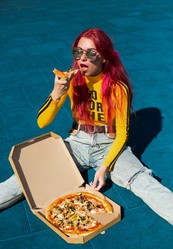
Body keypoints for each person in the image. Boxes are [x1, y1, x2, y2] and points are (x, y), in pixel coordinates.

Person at [0, 28, 173, 226]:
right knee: (27, 174)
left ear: (104, 57)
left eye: (91, 53)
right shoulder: (71, 80)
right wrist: (56, 93)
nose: (82, 58)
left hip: (110, 144)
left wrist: (104, 167)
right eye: (78, 51)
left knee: (142, 181)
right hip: (77, 142)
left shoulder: (118, 88)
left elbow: (122, 134)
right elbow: (42, 122)